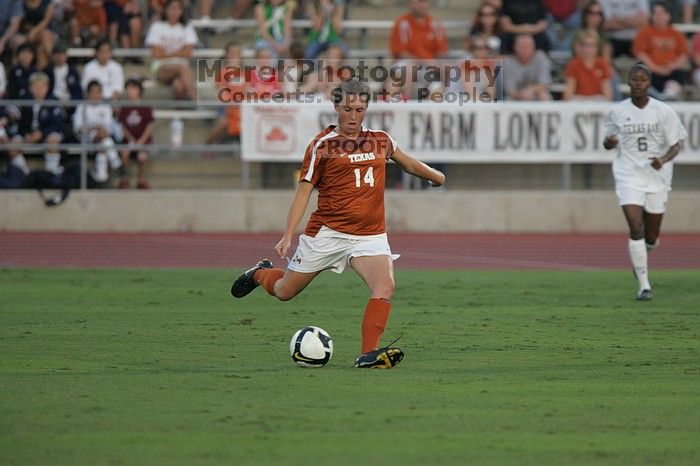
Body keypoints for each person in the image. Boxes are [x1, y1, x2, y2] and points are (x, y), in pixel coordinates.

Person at [230, 79, 446, 369]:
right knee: (284, 291)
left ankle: (368, 354)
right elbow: (303, 192)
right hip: (327, 234)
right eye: (347, 109)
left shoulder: (380, 139)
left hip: (370, 235)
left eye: (359, 109)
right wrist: (287, 235)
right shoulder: (322, 146)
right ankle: (260, 273)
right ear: (335, 107)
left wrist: (436, 176)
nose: (353, 116)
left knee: (385, 286)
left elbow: (406, 162)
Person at [603, 63, 687, 301]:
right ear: (628, 82)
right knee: (634, 226)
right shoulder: (617, 112)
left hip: (656, 176)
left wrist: (663, 159)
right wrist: (610, 142)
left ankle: (642, 253)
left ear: (649, 83)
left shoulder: (663, 111)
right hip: (627, 173)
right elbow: (607, 142)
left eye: (642, 80)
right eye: (634, 79)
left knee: (651, 235)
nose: (638, 83)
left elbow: (677, 143)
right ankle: (644, 285)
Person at [632, 2, 688, 100]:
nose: (659, 16)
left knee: (680, 72)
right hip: (652, 71)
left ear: (669, 15)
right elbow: (640, 54)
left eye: (662, 13)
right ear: (652, 15)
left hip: (672, 71)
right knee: (641, 70)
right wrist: (657, 68)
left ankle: (669, 96)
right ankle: (654, 96)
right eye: (655, 13)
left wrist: (672, 66)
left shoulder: (677, 34)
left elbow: (683, 55)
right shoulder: (644, 32)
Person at [145, 0, 199, 100]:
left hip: (181, 70)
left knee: (178, 86)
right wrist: (179, 52)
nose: (175, 11)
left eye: (178, 8)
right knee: (182, 67)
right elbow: (156, 54)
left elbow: (188, 52)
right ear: (166, 10)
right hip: (161, 67)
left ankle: (178, 114)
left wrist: (166, 52)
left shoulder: (187, 26)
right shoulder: (157, 26)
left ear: (182, 11)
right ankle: (198, 102)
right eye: (172, 7)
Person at [73, 80, 124, 183]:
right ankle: (116, 163)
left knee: (103, 144)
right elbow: (78, 128)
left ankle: (101, 178)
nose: (96, 95)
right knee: (104, 140)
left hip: (102, 137)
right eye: (93, 92)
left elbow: (107, 128)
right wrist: (94, 128)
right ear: (87, 93)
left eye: (98, 92)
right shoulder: (81, 106)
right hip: (85, 138)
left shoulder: (105, 106)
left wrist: (96, 129)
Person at [117, 79, 154, 189]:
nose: (130, 91)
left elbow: (150, 126)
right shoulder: (124, 107)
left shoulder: (146, 107)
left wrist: (141, 141)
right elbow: (122, 126)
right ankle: (124, 179)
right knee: (125, 153)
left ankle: (141, 180)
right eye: (128, 88)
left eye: (133, 88)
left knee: (143, 156)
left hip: (143, 140)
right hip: (129, 141)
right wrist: (131, 139)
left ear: (139, 90)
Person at [563, 30, 613, 101]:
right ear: (581, 47)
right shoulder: (574, 64)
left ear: (597, 47)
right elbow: (569, 89)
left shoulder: (602, 63)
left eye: (593, 45)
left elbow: (607, 91)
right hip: (579, 99)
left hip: (597, 99)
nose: (589, 49)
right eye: (586, 45)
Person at [503, 34, 551, 101]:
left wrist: (531, 90)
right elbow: (510, 90)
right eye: (522, 46)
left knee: (544, 95)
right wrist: (522, 94)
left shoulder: (541, 58)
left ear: (534, 47)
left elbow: (545, 85)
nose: (525, 49)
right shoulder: (508, 62)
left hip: (536, 94)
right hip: (517, 97)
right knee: (507, 99)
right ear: (515, 47)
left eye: (528, 46)